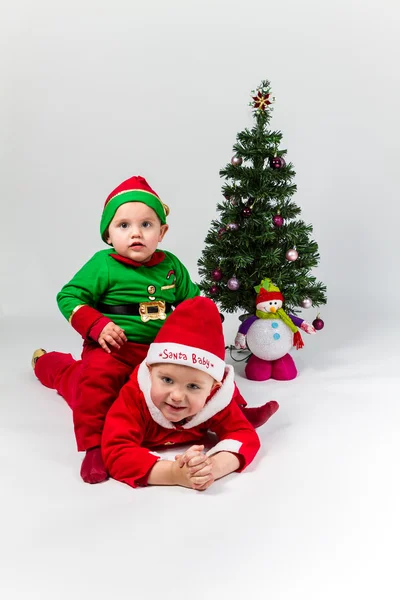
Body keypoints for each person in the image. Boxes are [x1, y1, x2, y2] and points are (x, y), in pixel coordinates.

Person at [32, 175, 274, 485]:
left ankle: (235, 411)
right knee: (94, 381)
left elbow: (191, 301)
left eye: (146, 225)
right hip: (114, 348)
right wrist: (97, 325)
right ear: (108, 234)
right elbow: (69, 296)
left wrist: (206, 323)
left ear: (162, 231)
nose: (136, 233)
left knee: (210, 370)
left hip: (160, 353)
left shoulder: (171, 265)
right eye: (124, 226)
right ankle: (94, 444)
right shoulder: (103, 264)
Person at [102, 296, 279, 489]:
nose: (177, 396)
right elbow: (115, 450)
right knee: (81, 382)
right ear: (150, 371)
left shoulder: (216, 400)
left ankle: (242, 410)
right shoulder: (135, 395)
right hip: (110, 376)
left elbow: (246, 437)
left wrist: (212, 467)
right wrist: (173, 473)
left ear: (214, 388)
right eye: (167, 380)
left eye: (193, 386)